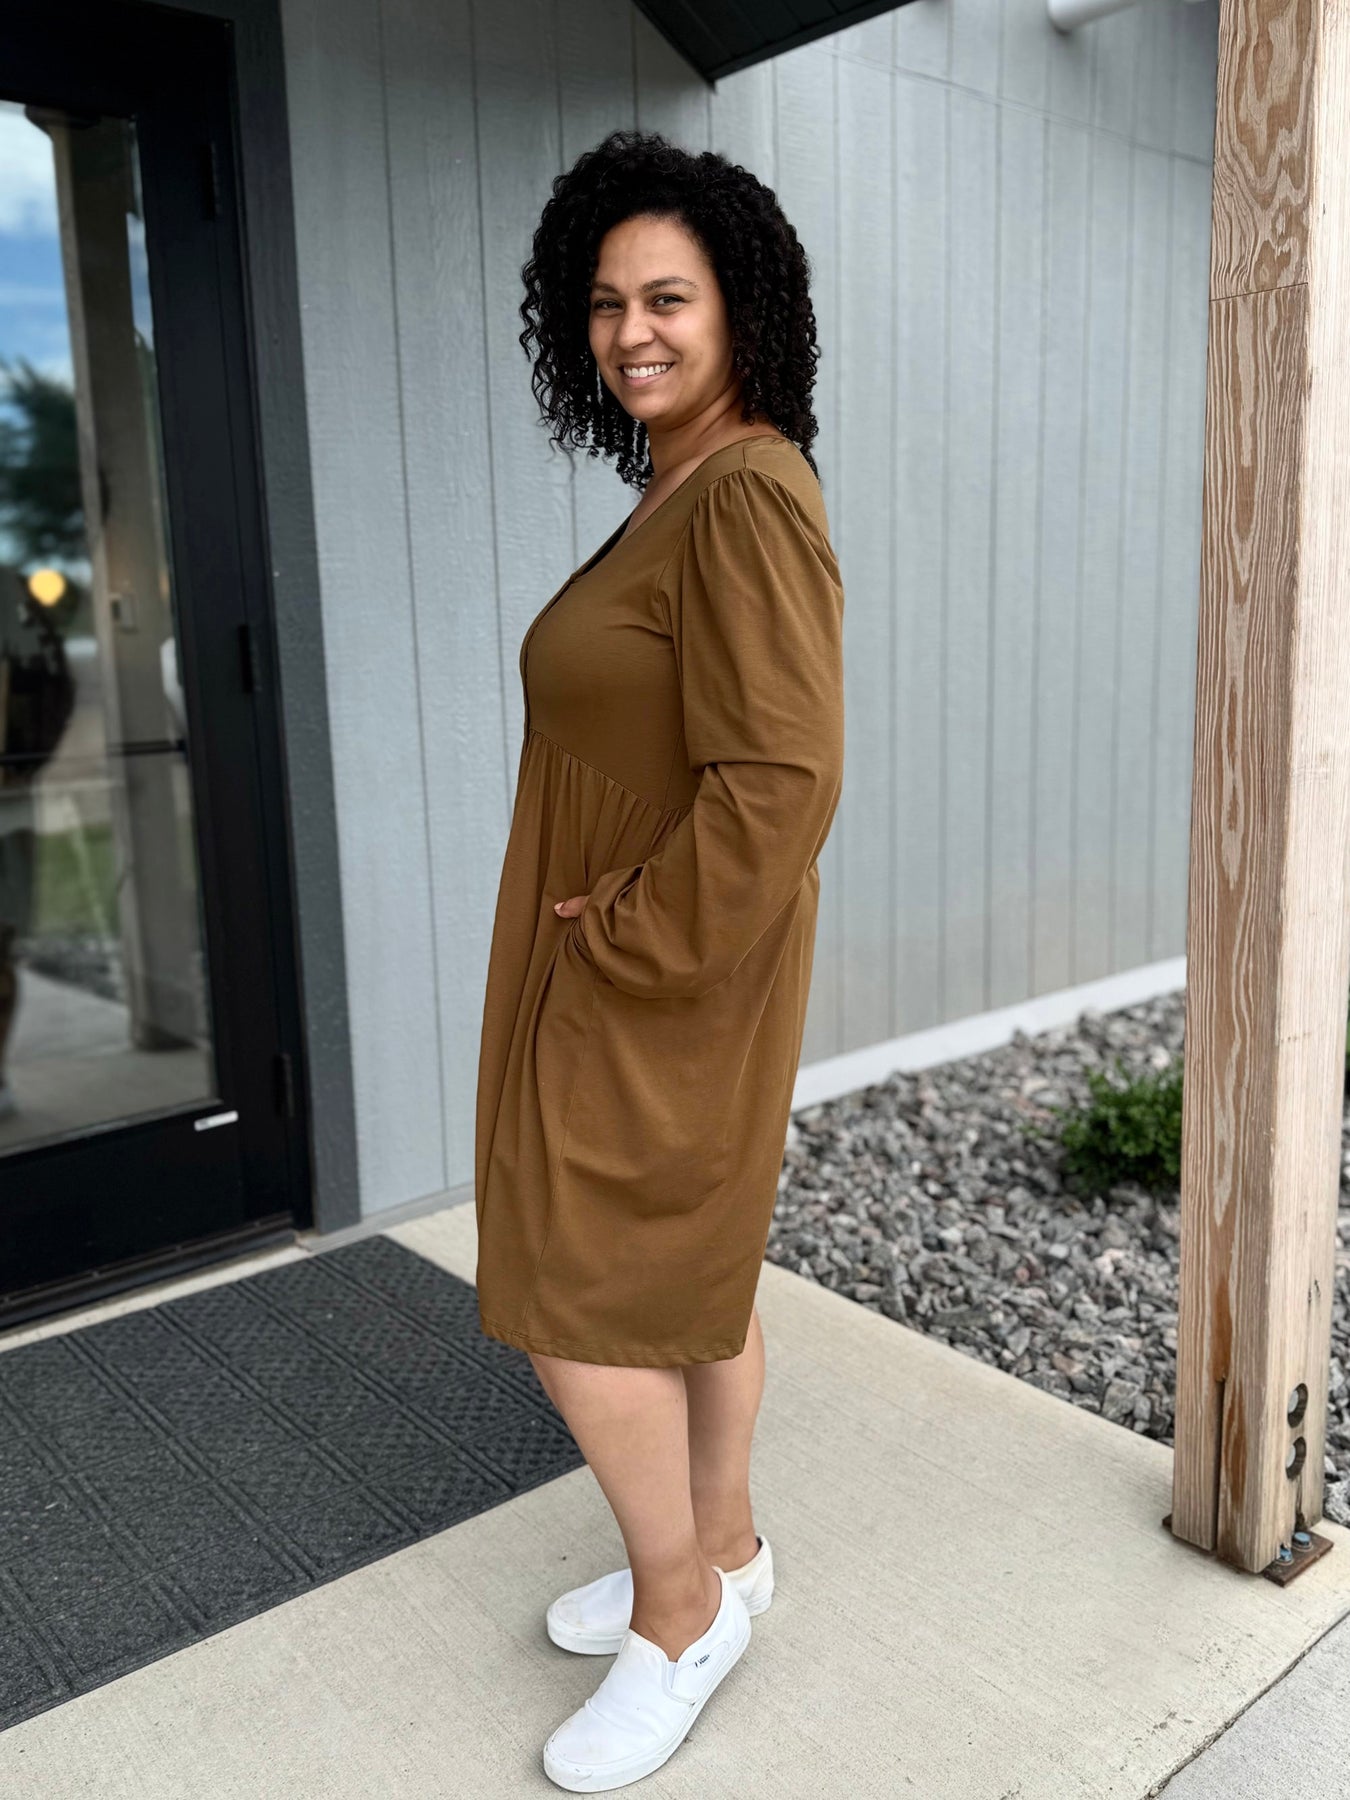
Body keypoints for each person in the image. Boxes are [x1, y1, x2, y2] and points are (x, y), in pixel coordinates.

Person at [473, 128, 845, 1792]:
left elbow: (781, 779)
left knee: (575, 1281)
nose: (633, 330)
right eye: (607, 301)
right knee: (687, 1268)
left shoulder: (745, 494)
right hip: (646, 945)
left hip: (664, 959)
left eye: (669, 297)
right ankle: (726, 1550)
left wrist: (629, 937)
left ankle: (680, 1617)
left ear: (739, 308)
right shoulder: (680, 485)